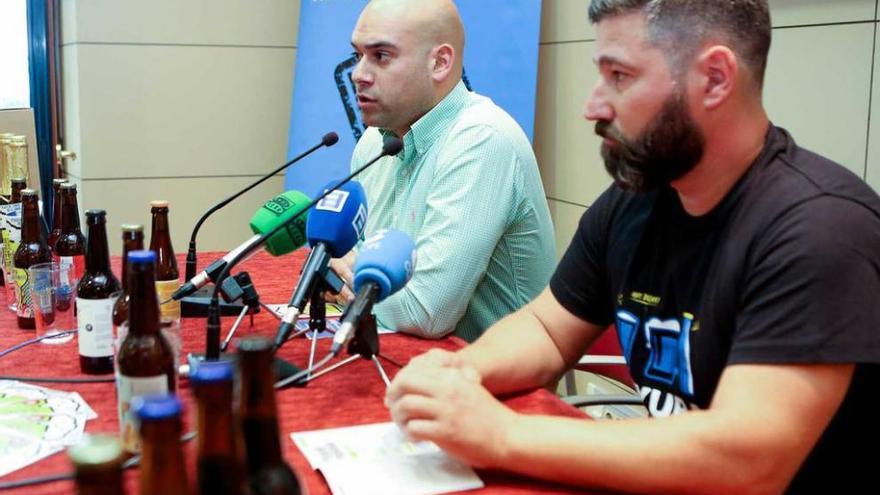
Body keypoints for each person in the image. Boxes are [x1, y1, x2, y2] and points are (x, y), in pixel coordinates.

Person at [385, 1, 880, 493]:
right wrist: (460, 371)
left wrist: (501, 434)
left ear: (714, 78)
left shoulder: (820, 229)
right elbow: (548, 330)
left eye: (619, 76)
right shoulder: (633, 203)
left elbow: (748, 459)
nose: (593, 106)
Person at [332, 0, 556, 342]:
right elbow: (351, 258)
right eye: (358, 54)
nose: (358, 74)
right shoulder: (375, 141)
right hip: (402, 357)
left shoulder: (482, 139)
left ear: (440, 63)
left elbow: (425, 311)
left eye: (381, 56)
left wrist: (337, 285)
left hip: (494, 385)